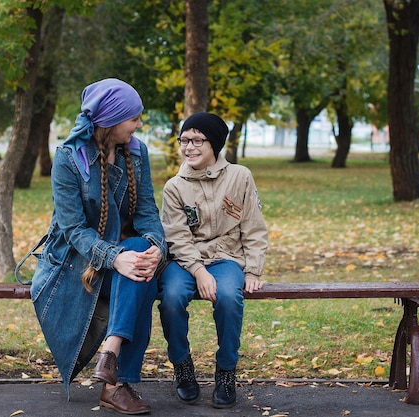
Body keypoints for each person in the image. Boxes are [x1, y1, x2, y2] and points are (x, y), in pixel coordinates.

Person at [29, 78, 167, 415]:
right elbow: (74, 229)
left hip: (126, 252)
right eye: (133, 118)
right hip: (75, 260)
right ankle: (116, 385)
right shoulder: (68, 159)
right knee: (137, 274)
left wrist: (156, 248)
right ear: (111, 120)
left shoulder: (137, 152)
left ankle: (111, 357)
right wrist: (115, 257)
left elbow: (148, 210)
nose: (138, 125)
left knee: (140, 259)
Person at [158, 112, 269, 408]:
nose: (188, 147)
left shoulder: (240, 177)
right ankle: (182, 366)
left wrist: (254, 269)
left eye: (197, 140)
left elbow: (254, 227)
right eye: (184, 140)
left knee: (230, 298)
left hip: (226, 258)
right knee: (170, 298)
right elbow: (176, 236)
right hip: (183, 262)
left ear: (215, 144)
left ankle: (226, 371)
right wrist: (197, 271)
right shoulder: (174, 187)